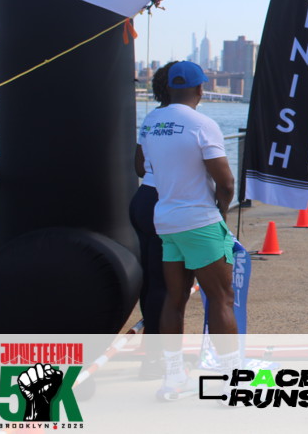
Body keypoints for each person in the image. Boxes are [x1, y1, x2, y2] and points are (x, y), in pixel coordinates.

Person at [139, 61, 238, 399]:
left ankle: (172, 378)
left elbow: (142, 166)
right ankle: (231, 380)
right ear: (200, 89)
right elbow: (226, 182)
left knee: (175, 298)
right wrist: (220, 212)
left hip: (165, 220)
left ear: (168, 88)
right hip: (199, 220)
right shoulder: (202, 124)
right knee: (221, 299)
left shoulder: (152, 121)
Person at [129, 61, 176, 380]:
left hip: (143, 199)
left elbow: (139, 165)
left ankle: (152, 352)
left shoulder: (151, 118)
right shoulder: (189, 120)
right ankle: (156, 359)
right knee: (167, 283)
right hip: (166, 201)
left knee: (151, 281)